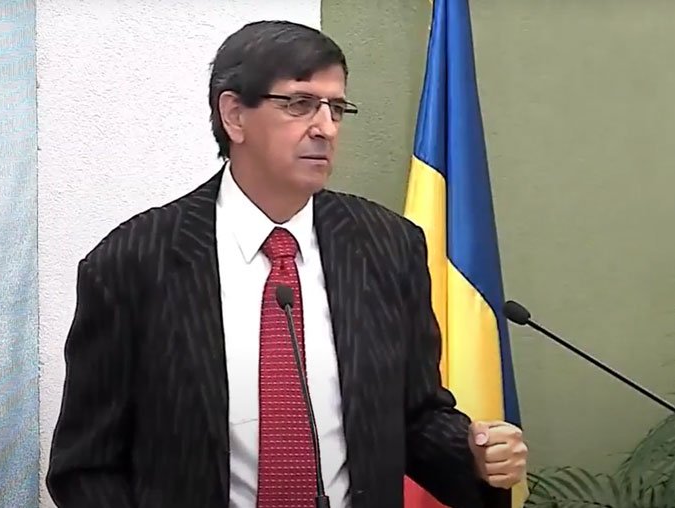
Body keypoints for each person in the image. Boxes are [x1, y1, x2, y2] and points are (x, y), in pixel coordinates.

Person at [46, 20, 528, 508]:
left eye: (336, 108)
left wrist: (471, 455)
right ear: (234, 115)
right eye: (299, 104)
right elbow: (85, 466)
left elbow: (414, 415)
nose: (325, 128)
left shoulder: (388, 246)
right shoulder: (133, 261)